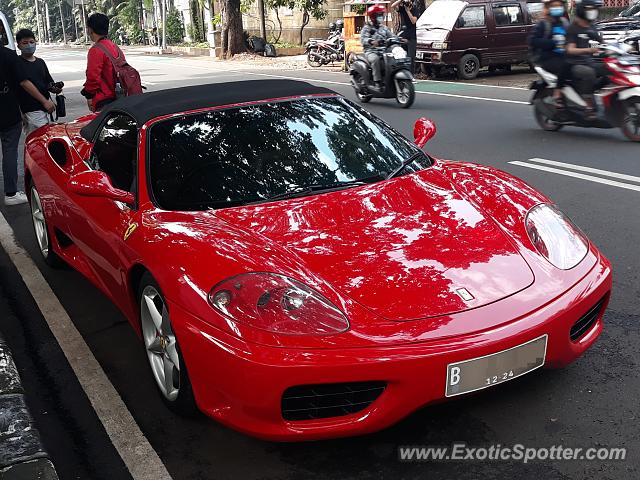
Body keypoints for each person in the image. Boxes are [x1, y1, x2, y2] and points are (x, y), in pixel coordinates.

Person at [1, 44, 55, 206]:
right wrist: (44, 101)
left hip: (10, 111)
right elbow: (24, 82)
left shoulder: (37, 61)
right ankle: (11, 193)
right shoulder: (8, 55)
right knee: (9, 150)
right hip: (7, 111)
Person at [16, 28, 62, 135]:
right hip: (31, 109)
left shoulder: (40, 62)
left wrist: (55, 89)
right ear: (18, 46)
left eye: (31, 42)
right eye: (25, 43)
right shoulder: (17, 63)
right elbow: (24, 83)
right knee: (38, 138)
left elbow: (48, 82)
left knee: (43, 137)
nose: (29, 45)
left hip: (44, 109)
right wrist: (44, 101)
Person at [566, 0, 605, 118]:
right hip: (574, 63)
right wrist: (589, 50)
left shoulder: (591, 26)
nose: (592, 11)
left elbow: (602, 42)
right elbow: (570, 50)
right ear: (582, 10)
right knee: (589, 73)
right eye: (589, 9)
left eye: (593, 9)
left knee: (609, 69)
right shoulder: (573, 28)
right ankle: (587, 103)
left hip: (588, 61)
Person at [528, 0, 570, 107]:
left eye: (559, 6)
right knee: (565, 65)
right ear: (548, 8)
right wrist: (552, 43)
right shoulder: (543, 24)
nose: (557, 8)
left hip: (564, 55)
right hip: (547, 58)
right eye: (554, 6)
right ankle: (557, 94)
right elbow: (532, 41)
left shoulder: (565, 22)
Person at [81, 13, 120, 112]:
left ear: (90, 30)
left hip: (104, 99)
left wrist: (89, 95)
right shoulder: (114, 46)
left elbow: (93, 78)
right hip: (120, 96)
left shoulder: (96, 50)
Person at [361, 4, 394, 91]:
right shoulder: (367, 28)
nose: (381, 17)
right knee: (375, 60)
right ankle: (377, 82)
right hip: (371, 51)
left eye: (382, 15)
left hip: (384, 51)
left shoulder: (384, 28)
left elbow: (392, 36)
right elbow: (363, 39)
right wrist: (371, 41)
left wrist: (399, 39)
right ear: (373, 17)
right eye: (379, 15)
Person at [391, 0, 423, 72]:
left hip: (412, 38)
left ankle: (411, 74)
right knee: (402, 56)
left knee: (411, 58)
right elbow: (393, 6)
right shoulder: (403, 8)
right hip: (404, 36)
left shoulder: (415, 9)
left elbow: (413, 21)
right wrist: (401, 0)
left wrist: (408, 11)